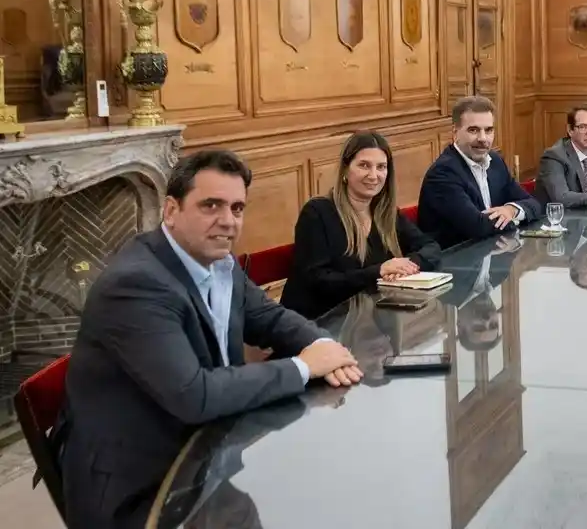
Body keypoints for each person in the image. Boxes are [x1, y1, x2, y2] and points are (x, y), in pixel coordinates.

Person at [59, 150, 362, 529]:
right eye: (211, 205)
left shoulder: (220, 262)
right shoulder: (137, 284)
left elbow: (269, 317)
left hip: (208, 454)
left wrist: (323, 347)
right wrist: (304, 366)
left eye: (237, 208)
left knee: (328, 490)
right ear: (171, 210)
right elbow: (194, 395)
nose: (228, 221)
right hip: (140, 486)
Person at [281, 131, 442, 319]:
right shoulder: (317, 213)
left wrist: (407, 266)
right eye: (364, 165)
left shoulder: (386, 213)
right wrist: (379, 271)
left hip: (367, 319)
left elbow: (431, 248)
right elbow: (319, 282)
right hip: (318, 322)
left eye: (381, 167)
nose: (374, 175)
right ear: (345, 170)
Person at [418, 95, 543, 247]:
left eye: (489, 130)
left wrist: (511, 210)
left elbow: (534, 204)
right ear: (455, 133)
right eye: (473, 130)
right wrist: (515, 218)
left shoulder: (495, 162)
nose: (483, 138)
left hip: (490, 255)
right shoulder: (443, 173)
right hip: (454, 263)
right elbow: (477, 227)